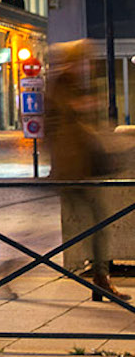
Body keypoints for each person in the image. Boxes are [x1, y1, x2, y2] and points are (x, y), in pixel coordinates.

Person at [49, 41, 127, 301]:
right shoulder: (60, 87)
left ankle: (100, 278)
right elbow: (61, 129)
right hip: (73, 172)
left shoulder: (77, 86)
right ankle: (100, 278)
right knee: (97, 223)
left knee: (97, 223)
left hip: (83, 169)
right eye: (83, 59)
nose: (87, 64)